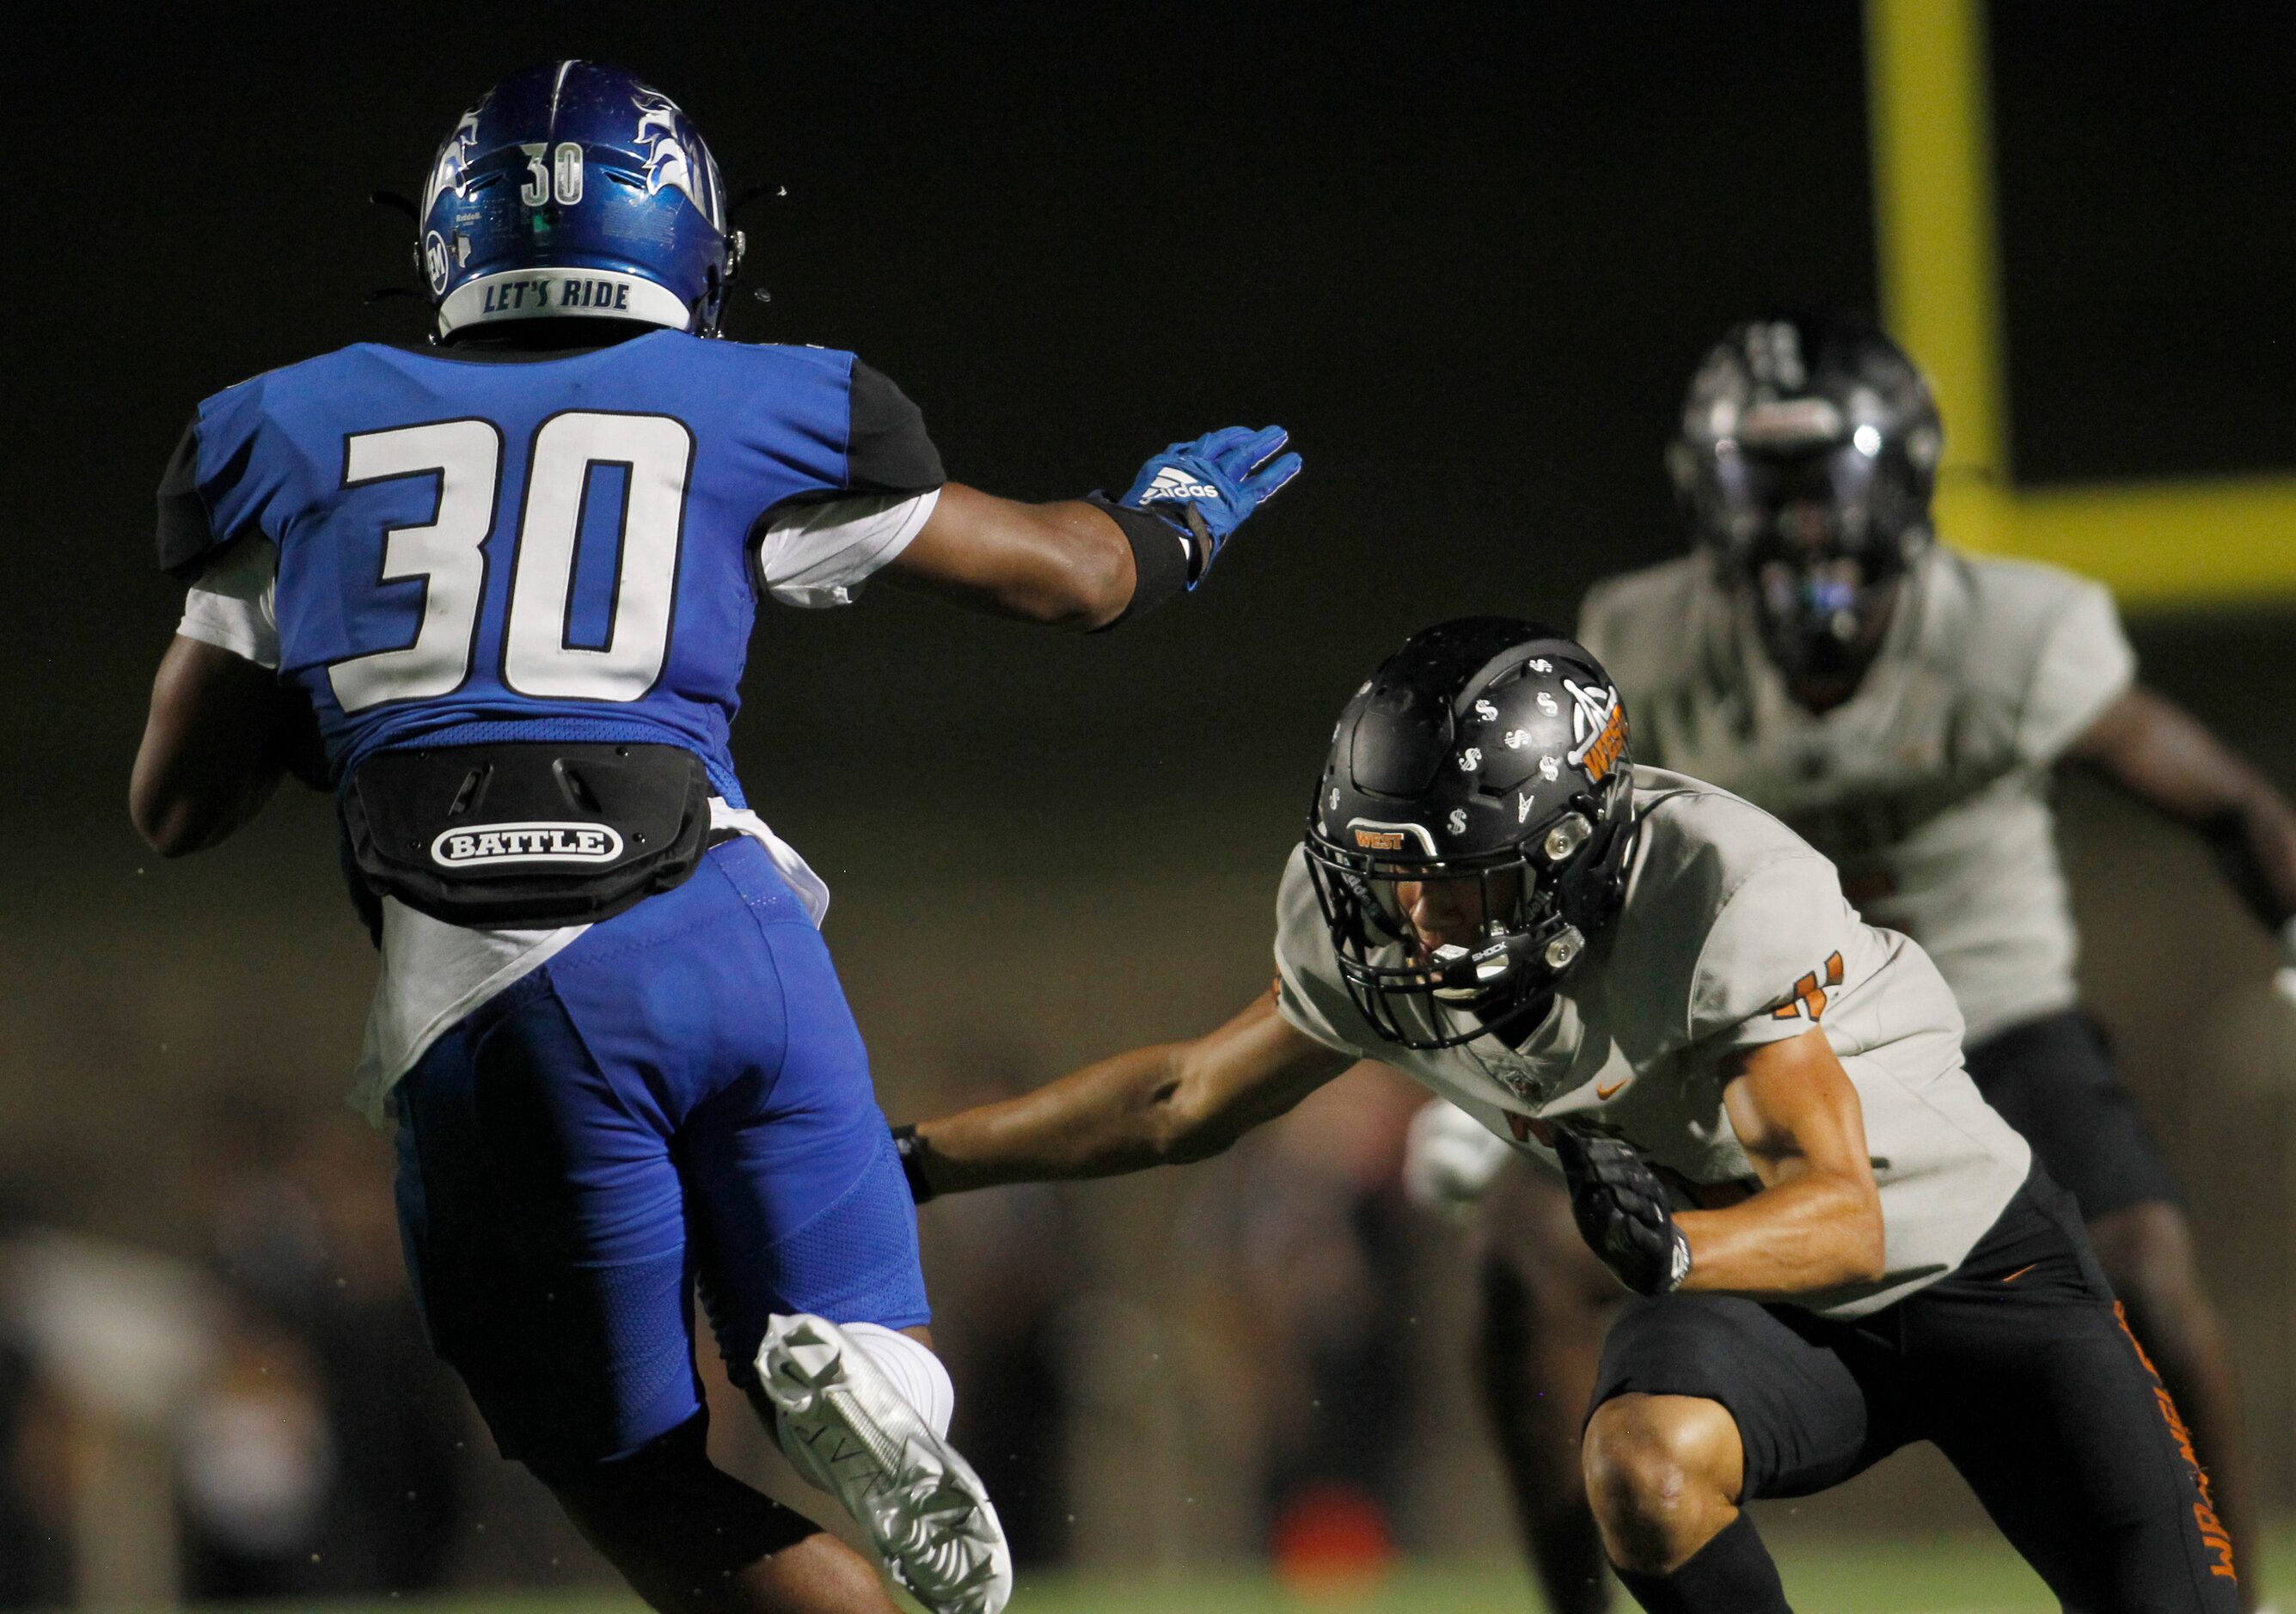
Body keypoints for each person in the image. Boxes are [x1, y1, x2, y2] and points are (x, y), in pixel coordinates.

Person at [128, 61, 1300, 1614]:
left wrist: (353, 692)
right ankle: (878, 1374)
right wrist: (1172, 524)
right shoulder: (757, 402)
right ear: (686, 236)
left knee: (633, 1476)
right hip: (725, 923)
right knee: (845, 1313)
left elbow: (174, 805)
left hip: (490, 1003)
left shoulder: (287, 432)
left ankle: (843, 1421)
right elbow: (1070, 575)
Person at [894, 616, 2242, 1611]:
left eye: (1457, 883)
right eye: (1389, 876)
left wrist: (1674, 1255)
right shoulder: (1387, 926)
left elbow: (1849, 1215)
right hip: (1743, 1284)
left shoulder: (1719, 888)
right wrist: (918, 1163)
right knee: (1644, 1470)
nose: (1413, 922)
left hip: (1966, 1266)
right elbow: (1182, 1095)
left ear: (1568, 853)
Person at [1405, 313, 2287, 1613]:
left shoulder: (2001, 631)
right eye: (1770, 492)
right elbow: (1557, 871)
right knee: (1519, 1264)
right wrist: (1500, 1100)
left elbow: (2223, 800)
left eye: (1828, 487)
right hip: (1751, 1045)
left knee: (2146, 1267)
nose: (1808, 536)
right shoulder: (1643, 644)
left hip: (1995, 1027)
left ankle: (2241, 1593)